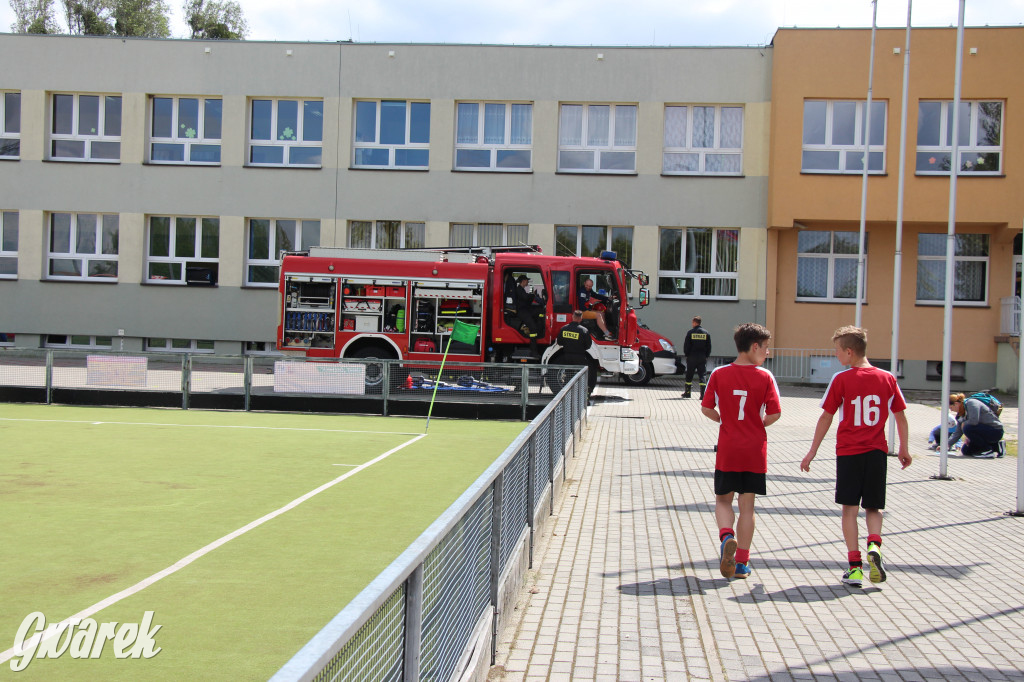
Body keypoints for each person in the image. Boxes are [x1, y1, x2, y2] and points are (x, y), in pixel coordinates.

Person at [801, 326, 912, 588]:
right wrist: (904, 448)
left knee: (849, 510)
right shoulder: (887, 378)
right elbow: (901, 415)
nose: (836, 355)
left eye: (837, 351)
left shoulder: (841, 380)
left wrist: (812, 451)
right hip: (876, 452)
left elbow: (826, 416)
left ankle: (854, 568)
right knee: (873, 507)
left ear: (849, 352)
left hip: (849, 452)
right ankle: (875, 544)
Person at [700, 323, 781, 580]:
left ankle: (726, 537)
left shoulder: (719, 374)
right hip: (754, 450)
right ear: (754, 346)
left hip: (728, 448)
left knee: (723, 500)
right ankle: (743, 563)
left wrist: (723, 420)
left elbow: (706, 408)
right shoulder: (765, 377)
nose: (767, 353)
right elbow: (775, 413)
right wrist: (758, 424)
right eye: (766, 348)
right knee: (747, 506)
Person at [954, 392, 1005, 458]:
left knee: (967, 428)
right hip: (982, 430)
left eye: (951, 407)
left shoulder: (971, 403)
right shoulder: (961, 412)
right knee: (966, 451)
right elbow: (958, 432)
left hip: (995, 430)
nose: (952, 410)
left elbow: (974, 421)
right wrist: (947, 445)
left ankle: (987, 450)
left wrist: (964, 424)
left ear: (956, 404)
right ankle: (997, 446)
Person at [556, 310, 596, 390]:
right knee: (582, 376)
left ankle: (567, 395)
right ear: (581, 318)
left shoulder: (564, 329)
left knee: (568, 377)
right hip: (580, 356)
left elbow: (559, 342)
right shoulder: (584, 330)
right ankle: (583, 396)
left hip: (566, 356)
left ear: (573, 317)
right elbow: (588, 345)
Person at [511, 274, 545, 357]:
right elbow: (526, 298)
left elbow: (526, 299)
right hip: (522, 312)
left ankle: (540, 327)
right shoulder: (519, 290)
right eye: (527, 280)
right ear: (523, 281)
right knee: (533, 328)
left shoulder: (521, 289)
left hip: (525, 310)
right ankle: (534, 351)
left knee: (540, 310)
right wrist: (533, 295)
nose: (528, 282)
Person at [682, 316, 712, 398]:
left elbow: (686, 346)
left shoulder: (690, 332)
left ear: (695, 322)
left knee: (689, 375)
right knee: (702, 375)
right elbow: (709, 346)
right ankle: (703, 395)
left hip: (692, 357)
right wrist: (706, 355)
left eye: (692, 322)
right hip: (702, 357)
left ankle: (687, 393)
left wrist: (687, 355)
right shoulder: (706, 333)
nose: (692, 324)